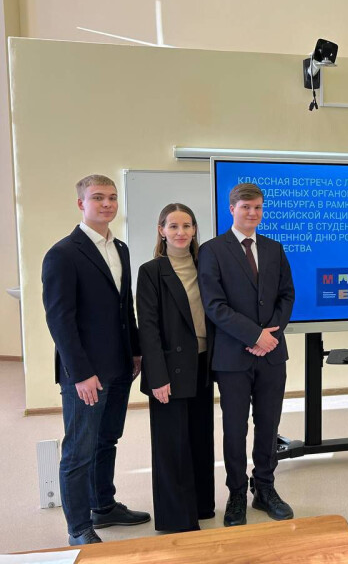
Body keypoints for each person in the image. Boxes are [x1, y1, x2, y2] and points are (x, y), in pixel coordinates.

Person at [42, 174, 150, 546]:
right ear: (81, 204)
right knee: (79, 451)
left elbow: (125, 306)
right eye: (98, 197)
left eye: (112, 198)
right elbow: (60, 320)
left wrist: (135, 349)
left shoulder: (120, 248)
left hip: (120, 366)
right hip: (87, 374)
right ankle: (78, 528)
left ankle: (103, 506)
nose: (107, 204)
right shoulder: (63, 253)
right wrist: (81, 373)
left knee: (107, 441)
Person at [198, 182, 295, 526]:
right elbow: (214, 305)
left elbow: (287, 296)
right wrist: (254, 335)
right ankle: (237, 492)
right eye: (245, 207)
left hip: (272, 355)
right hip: (232, 357)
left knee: (268, 425)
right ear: (232, 209)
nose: (252, 213)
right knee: (234, 429)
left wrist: (270, 336)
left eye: (257, 207)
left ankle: (264, 488)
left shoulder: (274, 248)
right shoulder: (212, 250)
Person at [136, 203, 215, 532]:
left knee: (200, 437)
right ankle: (177, 519)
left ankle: (202, 506)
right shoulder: (151, 271)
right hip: (169, 368)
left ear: (195, 230)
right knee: (172, 445)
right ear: (162, 231)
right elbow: (148, 328)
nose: (181, 232)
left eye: (187, 226)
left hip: (202, 363)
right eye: (173, 226)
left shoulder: (206, 265)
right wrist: (157, 376)